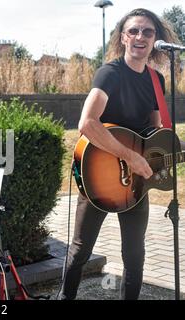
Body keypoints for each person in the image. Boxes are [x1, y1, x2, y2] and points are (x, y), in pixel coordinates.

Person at [59, 8, 184, 300]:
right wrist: (131, 157)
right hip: (100, 174)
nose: (140, 37)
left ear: (156, 40)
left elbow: (154, 131)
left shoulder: (156, 80)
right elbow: (87, 123)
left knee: (135, 254)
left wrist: (156, 155)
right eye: (134, 31)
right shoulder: (110, 74)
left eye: (148, 32)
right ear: (123, 37)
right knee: (80, 249)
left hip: (136, 184)